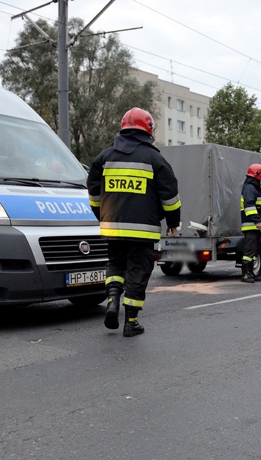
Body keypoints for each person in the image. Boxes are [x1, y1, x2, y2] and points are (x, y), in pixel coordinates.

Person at [87, 107, 181, 337]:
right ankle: (131, 322)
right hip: (143, 231)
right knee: (138, 273)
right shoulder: (155, 159)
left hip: (112, 228)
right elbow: (170, 197)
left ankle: (112, 301)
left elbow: (93, 193)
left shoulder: (104, 158)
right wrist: (173, 222)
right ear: (148, 130)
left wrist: (102, 216)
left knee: (116, 266)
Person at [239, 163, 261, 283]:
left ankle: (250, 273)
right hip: (251, 225)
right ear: (256, 174)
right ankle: (245, 274)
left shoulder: (252, 187)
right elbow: (249, 206)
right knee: (249, 251)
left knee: (254, 250)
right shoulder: (250, 188)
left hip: (254, 225)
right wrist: (257, 221)